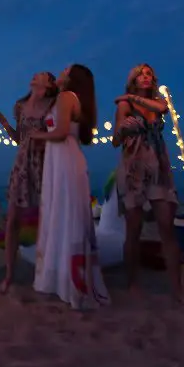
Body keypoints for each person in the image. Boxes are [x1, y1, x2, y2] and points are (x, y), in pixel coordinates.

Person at [30, 64, 110, 309]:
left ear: (72, 78)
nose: (60, 71)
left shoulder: (67, 97)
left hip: (65, 160)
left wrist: (37, 136)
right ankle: (64, 279)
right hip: (62, 160)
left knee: (65, 217)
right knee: (63, 216)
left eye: (65, 70)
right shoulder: (65, 98)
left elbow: (62, 131)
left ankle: (71, 282)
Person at [112, 63, 184, 300]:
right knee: (134, 229)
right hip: (134, 168)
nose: (145, 77)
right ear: (133, 79)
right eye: (140, 74)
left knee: (167, 227)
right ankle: (132, 283)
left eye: (148, 74)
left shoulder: (158, 102)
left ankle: (177, 289)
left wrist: (132, 96)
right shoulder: (125, 105)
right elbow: (115, 140)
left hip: (158, 168)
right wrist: (122, 130)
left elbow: (161, 109)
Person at [0, 71, 58, 294]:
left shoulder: (53, 106)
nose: (36, 76)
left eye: (43, 76)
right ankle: (9, 275)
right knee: (12, 221)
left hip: (45, 164)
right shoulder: (20, 105)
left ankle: (47, 272)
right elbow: (19, 138)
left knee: (47, 222)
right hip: (22, 165)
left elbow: (57, 135)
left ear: (48, 85)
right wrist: (3, 123)